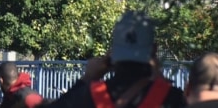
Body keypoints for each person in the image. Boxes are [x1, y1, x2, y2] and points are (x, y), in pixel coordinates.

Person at [47, 10, 186, 108]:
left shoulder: (88, 96)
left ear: (112, 52)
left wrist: (87, 77)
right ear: (154, 50)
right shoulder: (172, 99)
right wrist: (160, 81)